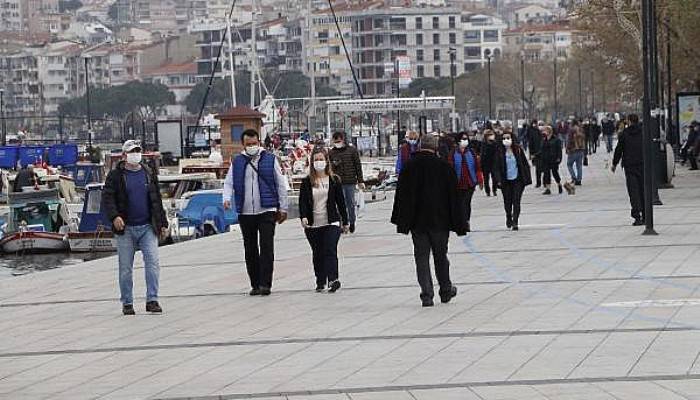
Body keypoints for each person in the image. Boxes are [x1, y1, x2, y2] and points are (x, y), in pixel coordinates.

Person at [391, 134, 464, 307]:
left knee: (421, 258)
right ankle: (445, 290)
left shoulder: (409, 167)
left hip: (417, 222)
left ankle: (426, 294)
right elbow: (454, 197)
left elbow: (401, 196)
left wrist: (400, 220)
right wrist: (459, 222)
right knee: (441, 256)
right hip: (440, 221)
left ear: (420, 146)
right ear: (436, 147)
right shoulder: (444, 167)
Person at [102, 140, 168, 315]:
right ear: (124, 155)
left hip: (147, 226)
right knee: (125, 268)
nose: (136, 154)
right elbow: (108, 198)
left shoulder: (147, 172)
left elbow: (157, 199)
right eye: (132, 151)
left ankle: (152, 300)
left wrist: (163, 223)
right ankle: (127, 302)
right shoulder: (115, 176)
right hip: (126, 229)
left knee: (153, 263)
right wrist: (114, 216)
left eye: (138, 150)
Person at [223, 129, 289, 296]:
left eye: (254, 143)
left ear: (258, 142)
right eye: (248, 144)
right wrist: (226, 198)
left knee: (267, 247)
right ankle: (255, 284)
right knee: (250, 249)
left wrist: (283, 207)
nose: (251, 146)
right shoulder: (237, 162)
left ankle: (266, 284)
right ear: (243, 145)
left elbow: (280, 183)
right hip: (245, 212)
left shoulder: (270, 159)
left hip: (266, 209)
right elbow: (229, 182)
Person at [299, 148, 349, 293]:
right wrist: (303, 217)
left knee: (330, 249)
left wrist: (345, 221)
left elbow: (341, 202)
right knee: (318, 252)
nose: (318, 162)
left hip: (331, 221)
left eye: (321, 159)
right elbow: (303, 202)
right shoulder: (307, 181)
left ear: (326, 161)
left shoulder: (334, 180)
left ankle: (333, 279)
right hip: (313, 224)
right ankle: (320, 280)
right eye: (316, 159)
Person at [612, 114, 646, 226]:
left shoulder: (624, 134)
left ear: (629, 121)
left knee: (633, 192)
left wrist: (614, 164)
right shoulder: (643, 132)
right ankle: (646, 215)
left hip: (629, 166)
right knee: (643, 190)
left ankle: (637, 217)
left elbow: (619, 150)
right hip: (642, 165)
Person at [493, 132, 532, 231]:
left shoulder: (518, 149)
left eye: (508, 138)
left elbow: (524, 164)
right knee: (507, 201)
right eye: (504, 138)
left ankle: (515, 221)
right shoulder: (499, 151)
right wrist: (498, 180)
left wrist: (526, 177)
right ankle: (508, 216)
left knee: (516, 201)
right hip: (505, 181)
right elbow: (496, 167)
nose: (506, 140)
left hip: (517, 180)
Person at [329, 131, 365, 233]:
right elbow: (329, 168)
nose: (337, 143)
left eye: (339, 141)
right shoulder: (331, 153)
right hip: (337, 182)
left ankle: (352, 222)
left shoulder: (352, 151)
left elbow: (358, 165)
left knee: (350, 203)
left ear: (343, 140)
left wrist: (360, 180)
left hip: (350, 181)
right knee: (340, 204)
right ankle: (342, 224)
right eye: (335, 141)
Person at [448, 132, 483, 232]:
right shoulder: (453, 153)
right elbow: (450, 168)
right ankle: (460, 222)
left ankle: (466, 221)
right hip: (457, 183)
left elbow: (477, 167)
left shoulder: (471, 152)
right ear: (458, 141)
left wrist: (480, 180)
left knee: (466, 203)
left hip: (469, 182)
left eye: (466, 139)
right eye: (463, 139)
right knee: (459, 204)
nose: (465, 141)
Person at [540, 126, 563, 195]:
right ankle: (548, 189)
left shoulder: (556, 140)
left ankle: (559, 184)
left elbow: (559, 150)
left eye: (545, 130)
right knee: (546, 174)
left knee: (555, 173)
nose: (544, 132)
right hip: (546, 159)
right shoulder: (544, 139)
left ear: (549, 131)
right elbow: (542, 149)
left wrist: (559, 158)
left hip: (554, 159)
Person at [566, 120, 586, 186]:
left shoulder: (571, 130)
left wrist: (567, 148)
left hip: (573, 150)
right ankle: (579, 180)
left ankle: (574, 177)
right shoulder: (581, 129)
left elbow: (569, 140)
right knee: (579, 166)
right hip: (581, 150)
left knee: (569, 164)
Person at [481, 129, 498, 197]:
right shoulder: (483, 143)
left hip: (494, 163)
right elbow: (482, 153)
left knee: (494, 177)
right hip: (486, 163)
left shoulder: (495, 143)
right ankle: (487, 191)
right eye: (489, 135)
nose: (491, 136)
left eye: (491, 135)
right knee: (486, 178)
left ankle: (494, 190)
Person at [527, 120, 543, 187]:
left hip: (541, 152)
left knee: (542, 169)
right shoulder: (532, 131)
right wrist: (531, 154)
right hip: (537, 152)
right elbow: (530, 143)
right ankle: (539, 182)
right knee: (539, 169)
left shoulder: (541, 132)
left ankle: (543, 182)